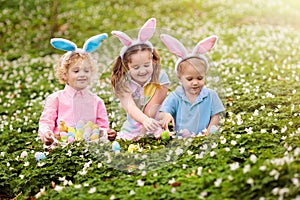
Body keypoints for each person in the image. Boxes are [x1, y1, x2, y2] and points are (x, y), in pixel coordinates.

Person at [39, 33, 116, 145]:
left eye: (86, 70)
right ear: (65, 74)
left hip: (88, 148)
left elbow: (102, 126)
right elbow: (46, 121)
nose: (82, 74)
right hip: (61, 146)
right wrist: (46, 133)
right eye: (76, 71)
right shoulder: (56, 99)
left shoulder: (96, 101)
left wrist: (107, 133)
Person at [111, 18, 170, 141]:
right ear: (127, 66)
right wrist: (143, 121)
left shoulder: (161, 77)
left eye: (147, 65)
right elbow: (130, 107)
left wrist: (146, 127)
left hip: (156, 119)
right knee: (126, 139)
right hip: (134, 124)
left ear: (152, 61)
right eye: (136, 67)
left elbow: (152, 107)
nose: (142, 71)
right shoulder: (123, 82)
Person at [158, 34, 225, 137]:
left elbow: (216, 115)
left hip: (203, 136)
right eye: (189, 79)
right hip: (182, 138)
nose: (195, 82)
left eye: (200, 78)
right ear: (180, 78)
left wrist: (210, 129)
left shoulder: (211, 95)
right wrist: (166, 115)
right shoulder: (176, 96)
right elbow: (162, 112)